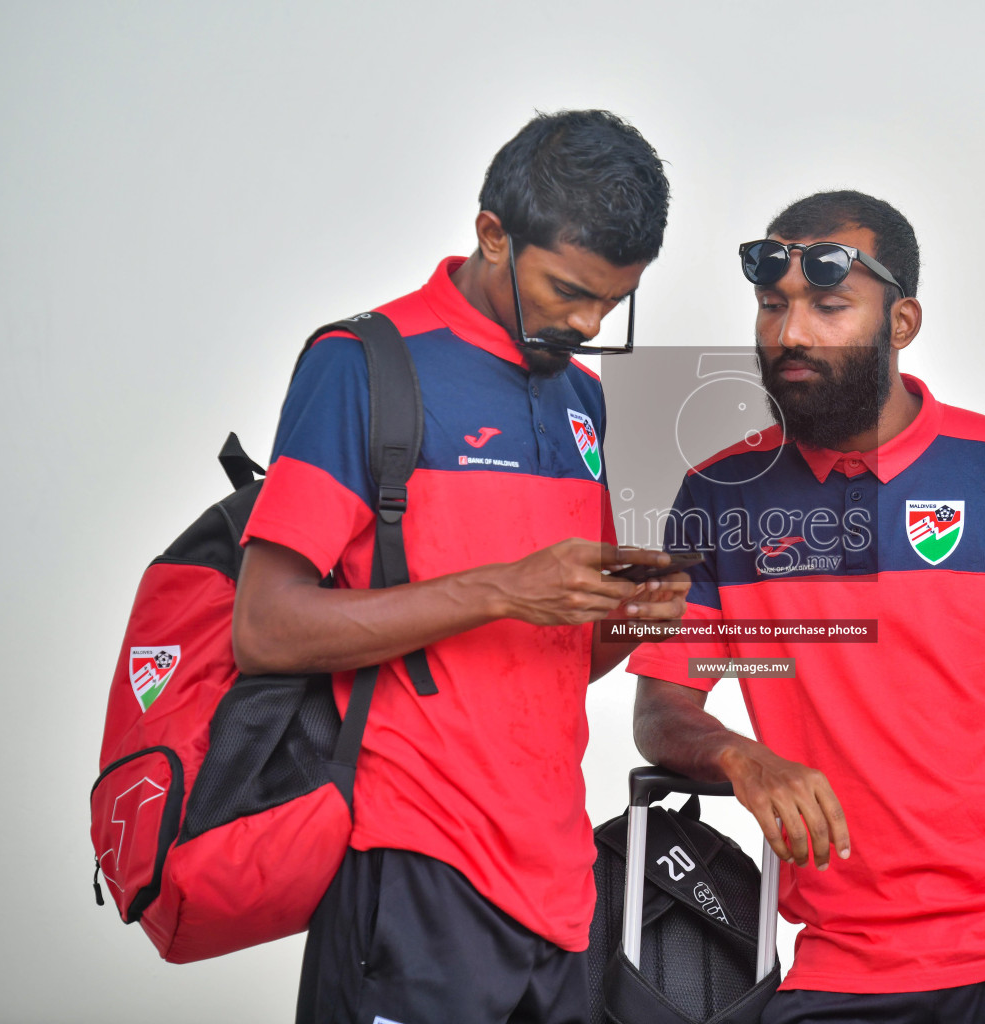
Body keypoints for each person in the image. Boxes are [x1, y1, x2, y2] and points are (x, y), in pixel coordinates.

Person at [231, 109, 690, 1024]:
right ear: (492, 234)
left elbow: (560, 656)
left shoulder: (587, 402)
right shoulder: (363, 365)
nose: (587, 320)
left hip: (558, 887)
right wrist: (504, 586)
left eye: (612, 300)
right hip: (409, 865)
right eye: (568, 289)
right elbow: (266, 628)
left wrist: (633, 619)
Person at [630, 190, 985, 1023]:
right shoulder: (716, 494)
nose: (791, 333)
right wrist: (743, 759)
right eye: (772, 305)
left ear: (902, 323)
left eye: (829, 307)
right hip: (845, 967)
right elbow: (662, 710)